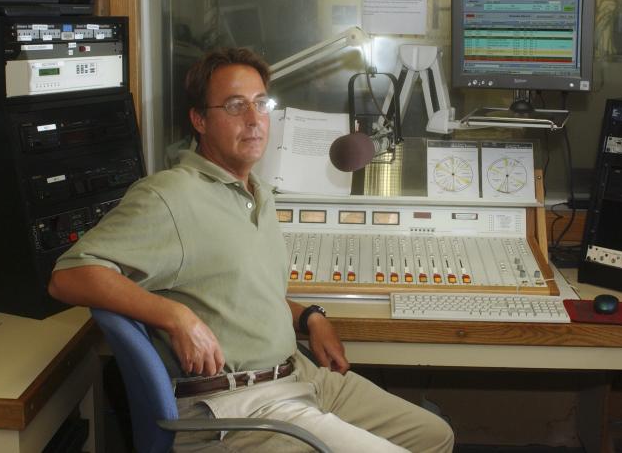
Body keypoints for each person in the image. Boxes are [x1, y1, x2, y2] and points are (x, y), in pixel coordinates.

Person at [48, 47, 455, 452]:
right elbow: (68, 275)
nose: (254, 119)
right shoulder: (168, 196)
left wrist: (310, 317)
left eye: (261, 104)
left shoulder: (256, 192)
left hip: (300, 378)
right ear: (199, 120)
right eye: (235, 105)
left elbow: (241, 294)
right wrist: (174, 316)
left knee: (435, 436)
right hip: (235, 404)